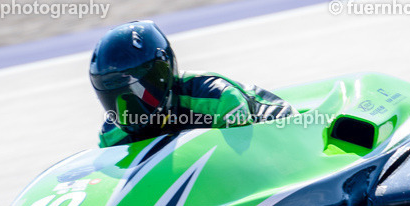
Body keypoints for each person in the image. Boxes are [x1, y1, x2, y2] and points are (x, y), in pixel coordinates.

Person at [89, 20, 292, 147]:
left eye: (138, 91)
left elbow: (247, 157)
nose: (131, 107)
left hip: (287, 140)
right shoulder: (111, 136)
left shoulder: (218, 98)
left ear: (162, 74)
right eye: (113, 98)